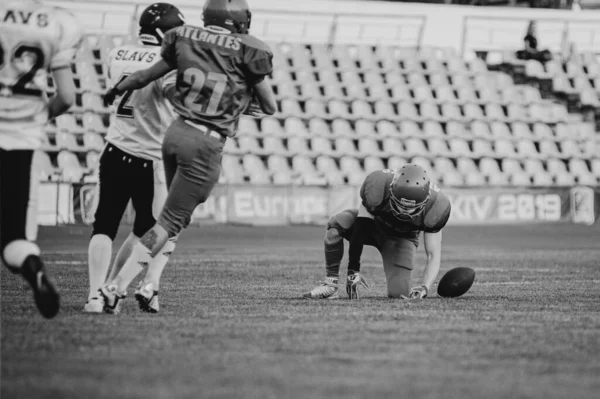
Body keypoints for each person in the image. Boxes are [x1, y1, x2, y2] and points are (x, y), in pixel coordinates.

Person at [99, 0, 277, 313]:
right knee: (168, 221)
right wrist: (246, 86)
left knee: (171, 218)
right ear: (237, 21)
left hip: (175, 133)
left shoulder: (185, 39)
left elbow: (142, 77)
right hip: (205, 142)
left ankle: (151, 285)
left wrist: (115, 90)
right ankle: (117, 287)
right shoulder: (248, 52)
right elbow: (270, 106)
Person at [83, 3, 186, 313]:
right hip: (150, 157)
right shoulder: (169, 62)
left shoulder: (118, 54)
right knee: (154, 230)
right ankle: (129, 286)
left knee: (104, 225)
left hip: (114, 150)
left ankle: (95, 296)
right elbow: (176, 98)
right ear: (165, 32)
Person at [0, 0, 82, 318]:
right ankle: (32, 267)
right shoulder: (57, 21)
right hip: (21, 140)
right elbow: (67, 97)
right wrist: (34, 121)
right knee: (15, 241)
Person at [303, 164, 452, 300]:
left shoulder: (437, 206)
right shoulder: (378, 184)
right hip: (374, 227)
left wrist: (425, 287)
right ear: (391, 189)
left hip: (401, 240)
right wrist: (353, 270)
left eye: (410, 208)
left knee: (398, 293)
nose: (403, 212)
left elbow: (433, 254)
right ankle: (330, 285)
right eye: (400, 205)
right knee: (337, 225)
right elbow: (361, 228)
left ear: (425, 201)